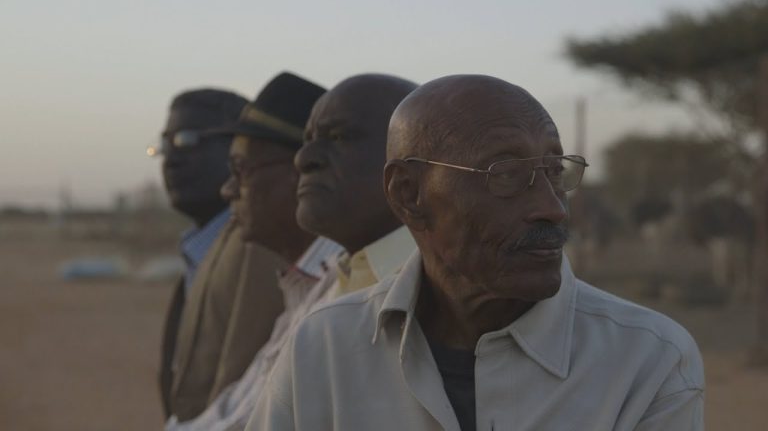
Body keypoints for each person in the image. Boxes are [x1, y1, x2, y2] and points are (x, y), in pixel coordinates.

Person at [248, 75, 705, 431]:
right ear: (408, 194)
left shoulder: (648, 360)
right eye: (505, 173)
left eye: (554, 171)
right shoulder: (322, 348)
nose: (552, 208)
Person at [174, 74, 418, 431]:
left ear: (410, 172)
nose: (305, 158)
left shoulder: (439, 297)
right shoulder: (330, 284)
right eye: (307, 141)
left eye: (339, 137)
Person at [167, 73, 337, 423]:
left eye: (240, 169)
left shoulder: (343, 292)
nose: (229, 188)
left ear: (304, 171)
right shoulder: (301, 280)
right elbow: (238, 402)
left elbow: (237, 386)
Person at [154, 88, 248, 418]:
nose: (171, 159)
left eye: (187, 140)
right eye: (166, 144)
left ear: (240, 150)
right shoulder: (201, 250)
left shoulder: (264, 254)